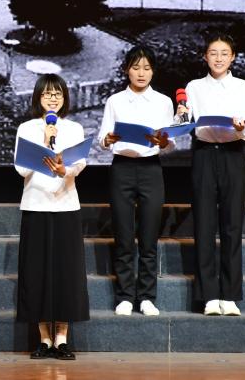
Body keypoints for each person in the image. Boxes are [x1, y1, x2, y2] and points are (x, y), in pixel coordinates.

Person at [177, 34, 245, 317]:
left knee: (232, 224)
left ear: (232, 57)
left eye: (224, 53)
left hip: (232, 154)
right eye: (213, 53)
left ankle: (230, 295)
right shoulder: (194, 87)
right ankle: (209, 295)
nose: (219, 58)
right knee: (204, 224)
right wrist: (181, 114)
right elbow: (184, 125)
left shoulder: (243, 87)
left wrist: (241, 127)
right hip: (204, 154)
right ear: (205, 56)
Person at [13, 73, 90, 361]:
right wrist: (45, 144)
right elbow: (21, 169)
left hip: (66, 206)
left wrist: (64, 170)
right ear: (38, 98)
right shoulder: (27, 128)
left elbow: (80, 163)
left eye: (58, 93)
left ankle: (62, 339)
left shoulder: (74, 128)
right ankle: (44, 338)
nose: (53, 98)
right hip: (35, 205)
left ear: (64, 98)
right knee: (37, 273)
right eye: (47, 94)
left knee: (66, 274)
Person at [99, 45, 174, 318]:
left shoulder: (163, 102)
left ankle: (147, 297)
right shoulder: (115, 101)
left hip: (151, 169)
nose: (141, 73)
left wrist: (162, 141)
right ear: (126, 70)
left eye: (147, 68)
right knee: (123, 236)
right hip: (122, 168)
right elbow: (103, 138)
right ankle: (125, 296)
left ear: (153, 71)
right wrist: (108, 139)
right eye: (136, 67)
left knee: (149, 236)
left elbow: (170, 144)